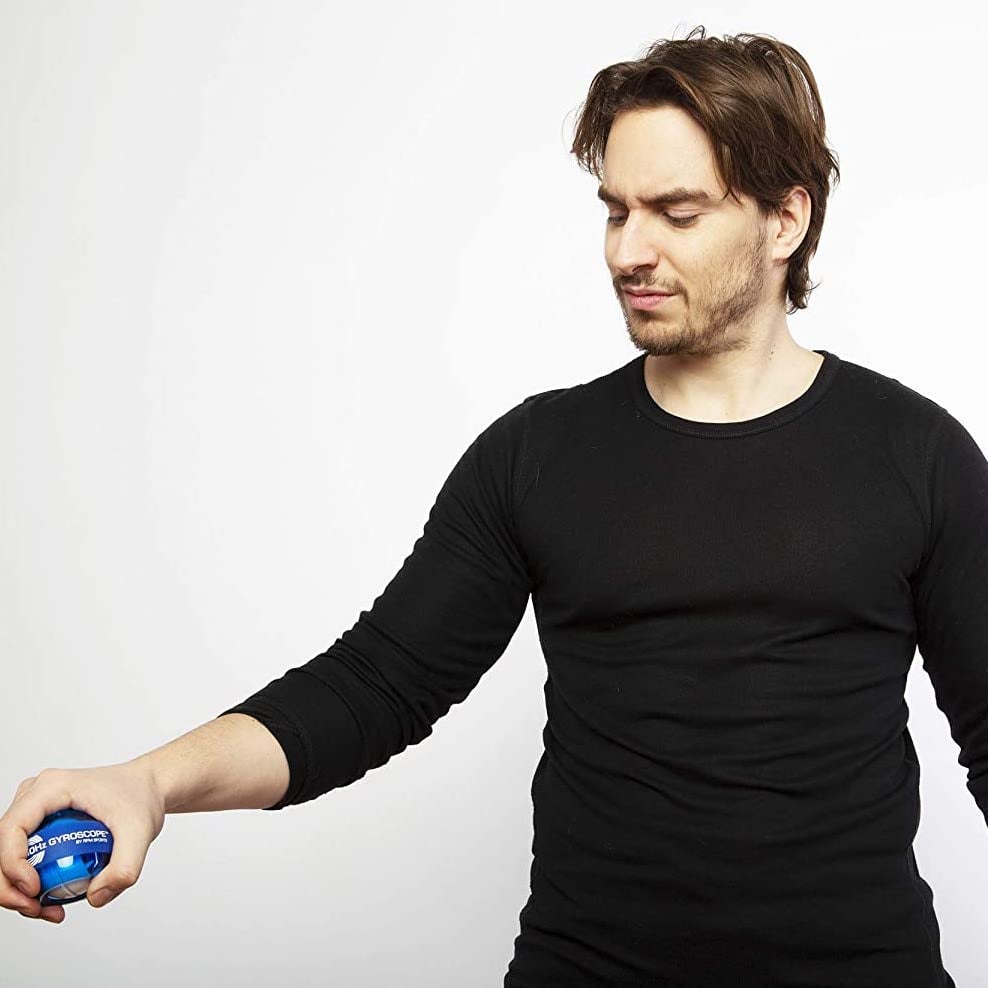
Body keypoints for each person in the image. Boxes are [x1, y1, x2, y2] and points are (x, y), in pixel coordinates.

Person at [1, 25, 979, 987]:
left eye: (675, 213)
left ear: (785, 221)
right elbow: (376, 686)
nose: (627, 250)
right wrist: (148, 781)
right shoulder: (537, 455)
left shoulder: (917, 455)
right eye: (615, 211)